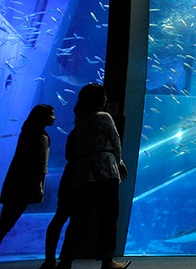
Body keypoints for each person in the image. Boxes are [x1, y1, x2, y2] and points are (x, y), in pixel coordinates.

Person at [56, 83, 130, 269]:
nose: (106, 99)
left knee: (79, 219)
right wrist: (119, 162)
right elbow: (115, 142)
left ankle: (66, 260)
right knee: (109, 217)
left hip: (83, 173)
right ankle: (107, 261)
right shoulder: (104, 117)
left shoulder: (80, 119)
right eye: (104, 96)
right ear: (100, 99)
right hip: (105, 169)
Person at [0, 104, 55, 269]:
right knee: (6, 223)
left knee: (4, 223)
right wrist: (39, 186)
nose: (53, 118)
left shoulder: (26, 133)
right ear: (43, 117)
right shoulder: (41, 137)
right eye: (51, 115)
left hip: (14, 182)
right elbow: (40, 165)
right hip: (25, 186)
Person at [39, 128, 77, 269]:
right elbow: (69, 155)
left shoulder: (74, 131)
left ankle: (51, 259)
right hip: (77, 179)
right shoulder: (80, 131)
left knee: (60, 218)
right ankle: (64, 260)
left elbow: (68, 155)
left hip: (69, 178)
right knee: (73, 221)